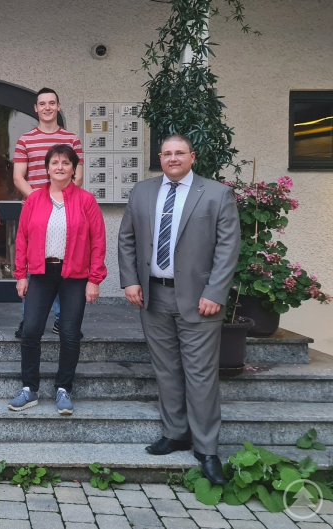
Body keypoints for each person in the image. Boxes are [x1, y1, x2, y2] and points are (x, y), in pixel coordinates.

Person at [118, 134, 240, 485]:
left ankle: (207, 449)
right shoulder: (142, 192)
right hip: (153, 296)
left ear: (192, 157)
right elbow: (127, 239)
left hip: (201, 299)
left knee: (200, 375)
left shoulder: (216, 194)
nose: (173, 158)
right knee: (166, 369)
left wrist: (215, 291)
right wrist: (130, 281)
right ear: (160, 157)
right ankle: (175, 433)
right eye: (167, 153)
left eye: (179, 153)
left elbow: (228, 247)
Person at [8, 144, 106, 416]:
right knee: (30, 331)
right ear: (47, 168)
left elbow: (98, 241)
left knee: (70, 333)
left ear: (74, 168)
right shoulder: (35, 200)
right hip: (41, 273)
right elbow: (22, 239)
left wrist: (94, 279)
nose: (60, 167)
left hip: (75, 275)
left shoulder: (85, 200)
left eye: (65, 162)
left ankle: (64, 388)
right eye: (55, 162)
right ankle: (29, 388)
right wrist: (20, 275)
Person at [12, 87, 85, 338]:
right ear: (36, 108)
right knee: (34, 265)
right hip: (34, 211)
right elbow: (18, 176)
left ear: (58, 106)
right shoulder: (25, 139)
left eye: (51, 103)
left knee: (64, 262)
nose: (47, 108)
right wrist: (40, 200)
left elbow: (78, 175)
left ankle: (60, 319)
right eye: (42, 104)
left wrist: (62, 201)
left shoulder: (72, 139)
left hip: (67, 211)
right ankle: (28, 320)